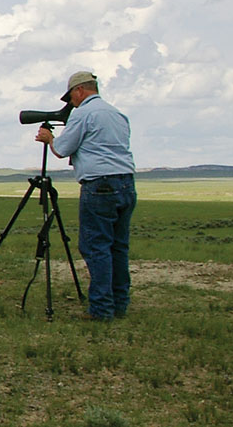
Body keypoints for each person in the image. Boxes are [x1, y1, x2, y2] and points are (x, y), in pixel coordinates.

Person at [35, 70, 137, 321]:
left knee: (96, 246)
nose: (71, 103)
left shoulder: (83, 114)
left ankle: (102, 310)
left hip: (99, 185)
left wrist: (49, 139)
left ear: (79, 90)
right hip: (126, 182)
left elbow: (63, 148)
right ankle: (119, 304)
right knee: (118, 246)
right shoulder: (117, 113)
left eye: (71, 97)